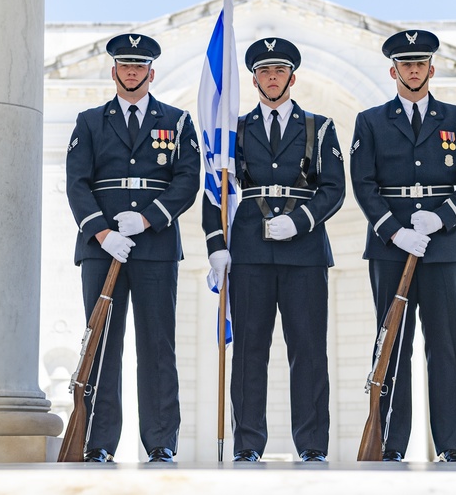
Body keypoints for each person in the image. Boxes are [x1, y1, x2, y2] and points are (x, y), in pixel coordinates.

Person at [202, 37, 345, 462]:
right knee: (248, 351)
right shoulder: (236, 130)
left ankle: (313, 445)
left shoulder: (320, 128)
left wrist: (300, 220)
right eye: (264, 71)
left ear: (292, 77)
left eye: (279, 70)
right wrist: (216, 246)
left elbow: (334, 189)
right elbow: (216, 190)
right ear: (253, 79)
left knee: (309, 351)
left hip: (304, 250)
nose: (271, 77)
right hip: (249, 249)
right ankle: (247, 445)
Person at [350, 29, 456, 463]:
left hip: (444, 245)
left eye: (420, 63)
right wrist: (394, 229)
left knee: (445, 343)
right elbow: (364, 183)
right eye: (405, 64)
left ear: (431, 68)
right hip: (392, 247)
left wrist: (443, 216)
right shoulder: (370, 121)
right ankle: (390, 444)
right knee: (393, 343)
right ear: (393, 71)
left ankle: (452, 445)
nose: (413, 70)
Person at [65, 33, 200, 463]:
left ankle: (160, 441)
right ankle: (99, 442)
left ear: (151, 72)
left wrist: (146, 218)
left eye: (139, 66)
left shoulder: (177, 121)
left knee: (157, 345)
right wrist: (103, 233)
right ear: (114, 71)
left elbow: (187, 180)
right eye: (125, 65)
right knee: (103, 343)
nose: (131, 71)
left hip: (155, 245)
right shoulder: (89, 121)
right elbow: (77, 183)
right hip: (102, 247)